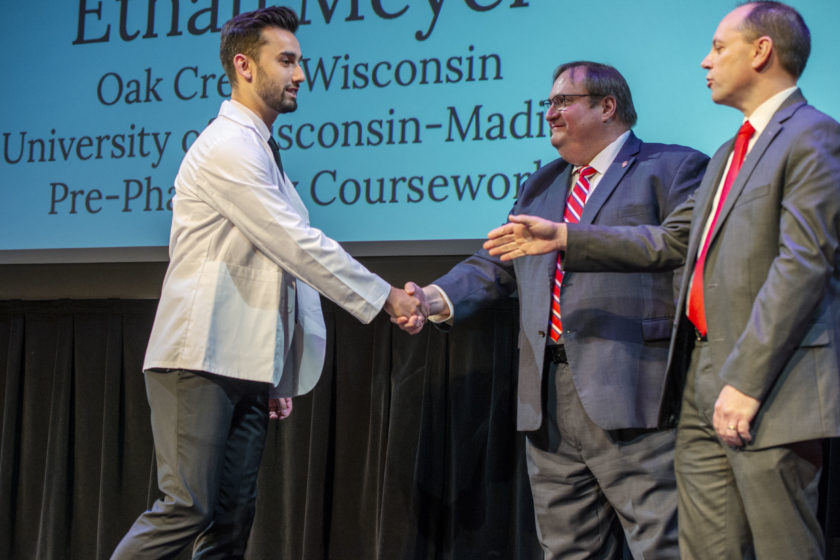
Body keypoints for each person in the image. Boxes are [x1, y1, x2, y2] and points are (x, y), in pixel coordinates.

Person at [485, 3, 840, 558]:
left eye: (720, 48)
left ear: (762, 51)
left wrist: (744, 380)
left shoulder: (812, 135)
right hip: (698, 380)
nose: (705, 61)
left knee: (778, 545)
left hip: (762, 378)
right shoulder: (729, 153)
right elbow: (682, 246)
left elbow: (802, 264)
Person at [111, 6, 425, 559]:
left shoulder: (260, 148)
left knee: (231, 522)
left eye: (300, 62)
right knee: (187, 508)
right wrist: (386, 297)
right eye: (287, 61)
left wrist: (274, 367)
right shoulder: (228, 146)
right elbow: (295, 244)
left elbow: (275, 266)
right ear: (244, 66)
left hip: (242, 363)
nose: (301, 74)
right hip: (198, 358)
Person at [401, 61, 708, 559]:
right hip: (547, 400)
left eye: (563, 101)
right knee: (567, 550)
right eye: (548, 103)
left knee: (664, 545)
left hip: (634, 392)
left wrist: (568, 238)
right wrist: (434, 298)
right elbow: (497, 263)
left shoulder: (672, 167)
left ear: (607, 106)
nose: (550, 113)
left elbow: (674, 245)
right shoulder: (542, 185)